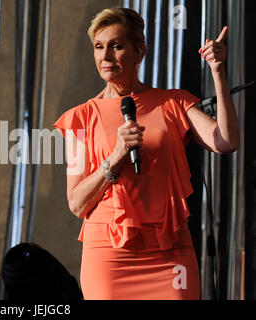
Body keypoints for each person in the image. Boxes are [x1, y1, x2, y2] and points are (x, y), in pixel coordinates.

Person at [53, 7, 239, 300]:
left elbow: (226, 141)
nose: (106, 56)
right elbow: (76, 203)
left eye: (116, 45)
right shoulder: (80, 118)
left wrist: (218, 72)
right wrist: (115, 156)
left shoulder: (173, 103)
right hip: (110, 255)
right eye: (99, 47)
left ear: (139, 51)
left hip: (170, 250)